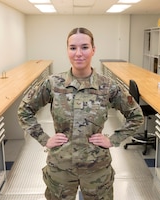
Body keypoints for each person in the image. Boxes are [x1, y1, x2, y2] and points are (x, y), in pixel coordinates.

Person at [17, 27, 144, 200]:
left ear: (93, 49)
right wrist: (44, 139)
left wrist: (113, 139)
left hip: (96, 169)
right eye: (73, 48)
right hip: (60, 168)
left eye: (84, 47)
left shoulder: (108, 86)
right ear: (67, 50)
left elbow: (136, 115)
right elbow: (25, 110)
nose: (78, 53)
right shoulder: (54, 83)